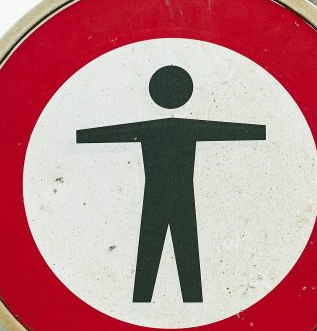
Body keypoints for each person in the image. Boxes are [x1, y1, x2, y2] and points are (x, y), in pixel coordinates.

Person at [76, 65, 265, 303]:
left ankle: (154, 304)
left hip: (160, 196)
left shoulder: (149, 128)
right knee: (177, 256)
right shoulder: (184, 128)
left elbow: (100, 134)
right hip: (175, 197)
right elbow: (239, 131)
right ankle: (179, 304)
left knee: (157, 253)